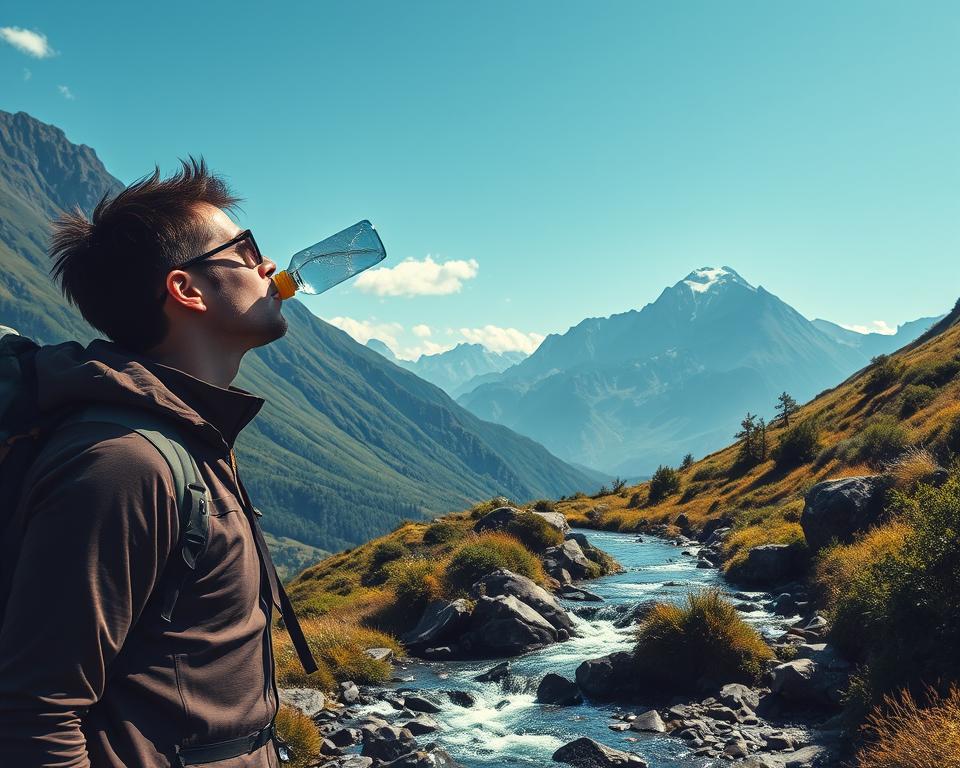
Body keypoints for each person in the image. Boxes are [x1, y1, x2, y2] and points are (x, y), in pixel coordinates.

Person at [0, 158, 309, 767]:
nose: (267, 265)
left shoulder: (188, 433)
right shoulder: (125, 464)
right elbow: (35, 716)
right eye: (245, 250)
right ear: (186, 289)